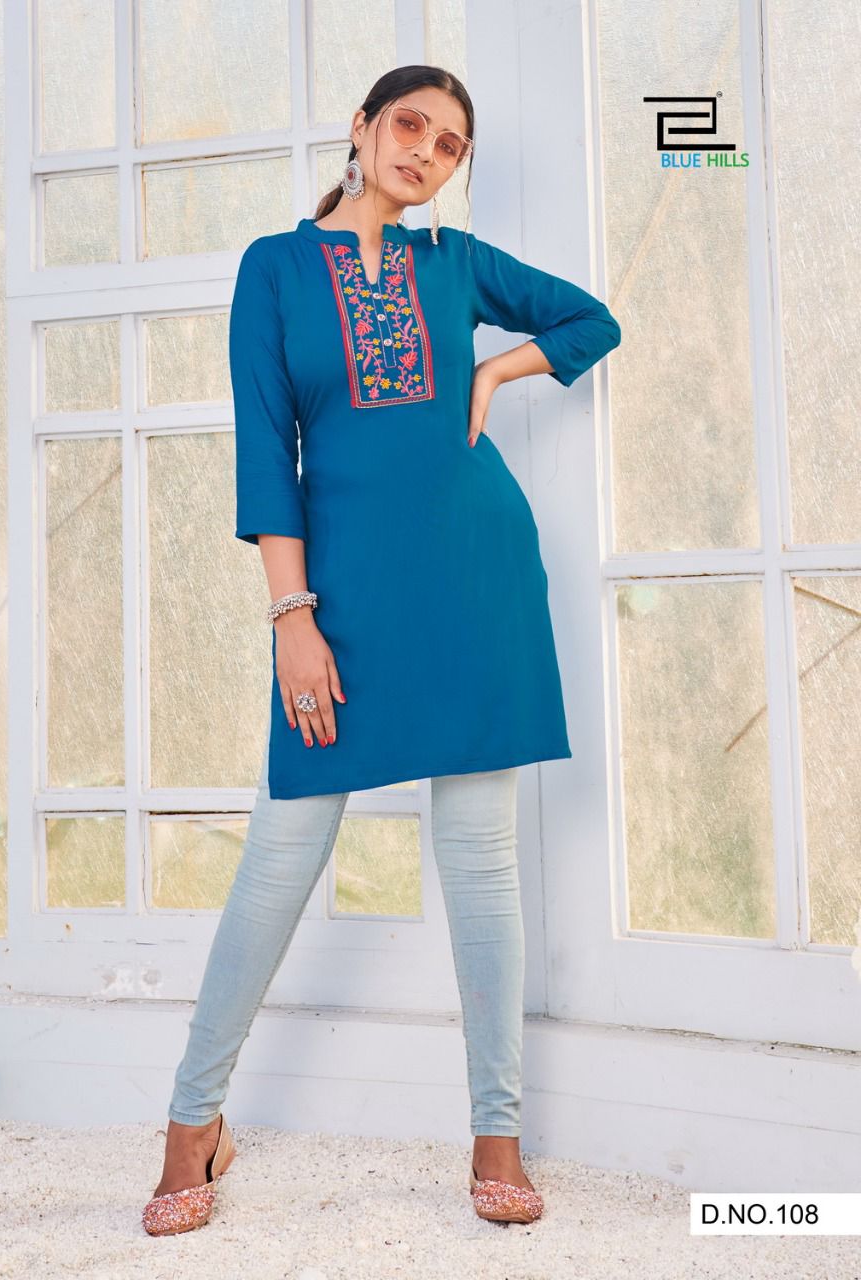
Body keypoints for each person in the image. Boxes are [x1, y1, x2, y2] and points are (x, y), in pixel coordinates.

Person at [142, 63, 620, 1237]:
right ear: (360, 128)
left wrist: (498, 368)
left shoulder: (453, 264)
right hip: (341, 598)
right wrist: (292, 618)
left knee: (481, 859)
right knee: (281, 853)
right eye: (410, 125)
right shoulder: (275, 268)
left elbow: (591, 320)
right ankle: (193, 1121)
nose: (425, 152)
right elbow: (268, 452)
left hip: (478, 579)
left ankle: (497, 1132)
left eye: (450, 145)